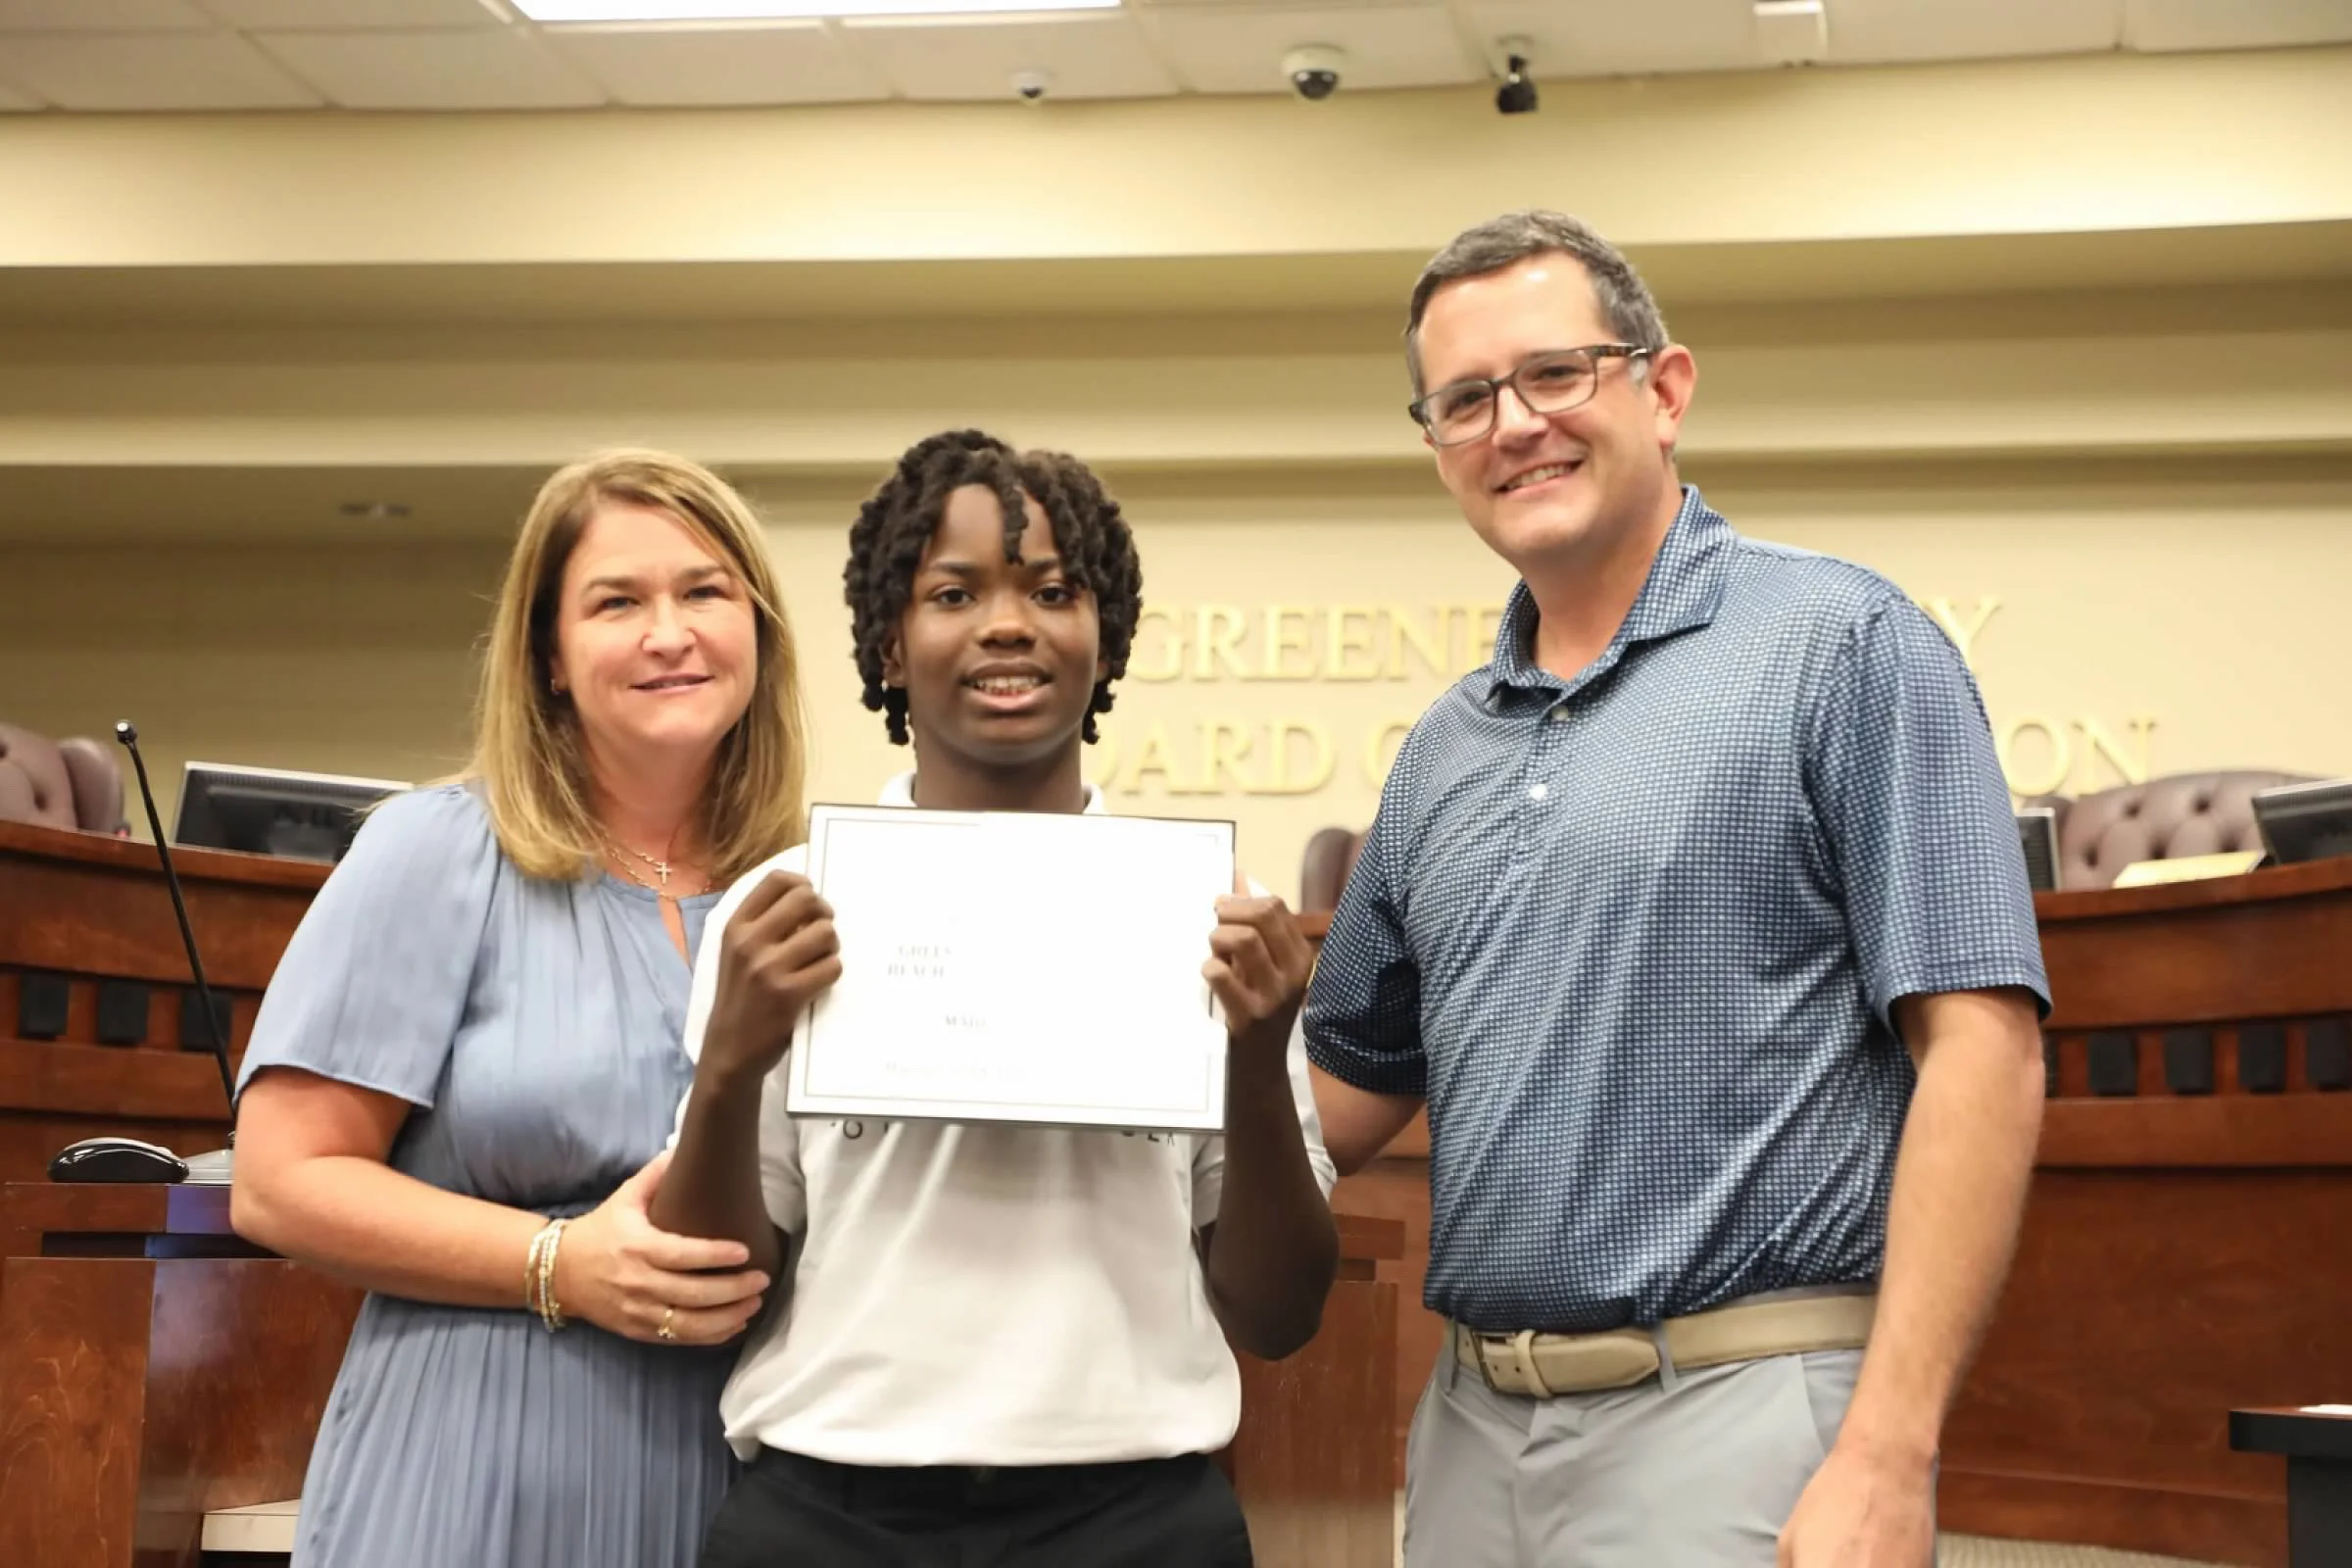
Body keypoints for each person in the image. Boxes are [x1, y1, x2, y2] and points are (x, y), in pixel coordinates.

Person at [1304, 211, 2052, 1567]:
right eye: (1464, 399)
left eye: (1553, 374)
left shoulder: (1846, 647)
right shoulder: (1443, 750)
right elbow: (1342, 1093)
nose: (1512, 423)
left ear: (1664, 389)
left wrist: (1890, 1452)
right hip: (1470, 1430)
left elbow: (1982, 1055)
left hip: (1744, 1412)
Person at [649, 428, 1341, 1568]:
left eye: (1053, 590)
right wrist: (729, 1066)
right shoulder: (785, 908)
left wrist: (1257, 1058)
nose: (1008, 622)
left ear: (1103, 638)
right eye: (954, 592)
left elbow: (1280, 1315)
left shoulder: (1213, 914)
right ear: (888, 645)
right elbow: (712, 1281)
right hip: (826, 1514)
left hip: (1134, 1520)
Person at [230, 449, 810, 1567]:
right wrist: (561, 1262)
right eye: (616, 602)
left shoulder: (808, 895)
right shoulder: (437, 851)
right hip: (473, 1467)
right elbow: (279, 1182)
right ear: (548, 656)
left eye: (704, 591)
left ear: (758, 630)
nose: (668, 632)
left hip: (732, 1483)